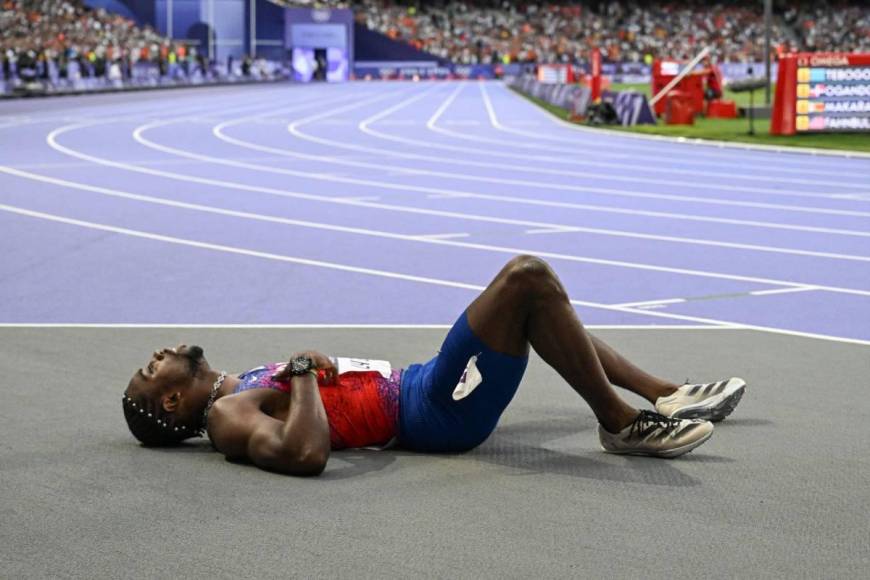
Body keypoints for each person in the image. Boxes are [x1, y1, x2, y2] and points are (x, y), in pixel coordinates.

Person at [123, 255, 746, 476]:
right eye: (151, 373)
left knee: (533, 305)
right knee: (526, 280)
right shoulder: (229, 414)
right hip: (432, 412)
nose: (156, 358)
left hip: (418, 384)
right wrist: (307, 373)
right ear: (173, 403)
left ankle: (665, 393)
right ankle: (619, 422)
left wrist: (310, 373)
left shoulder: (240, 387)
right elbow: (305, 455)